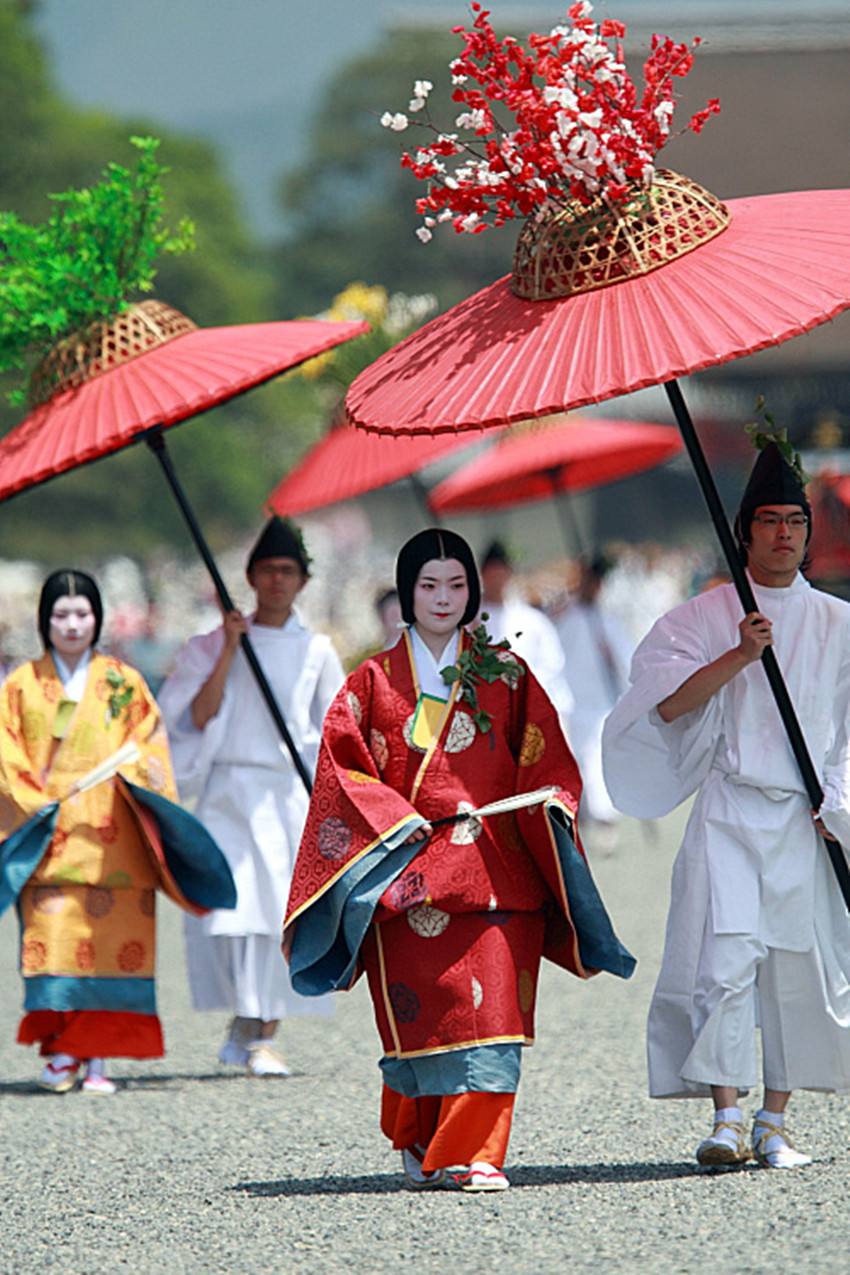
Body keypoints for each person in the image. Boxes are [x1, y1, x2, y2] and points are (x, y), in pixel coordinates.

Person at [284, 528, 634, 1191]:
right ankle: (421, 1131)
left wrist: (554, 799)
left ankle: (476, 1152)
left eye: (455, 584)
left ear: (473, 592)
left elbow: (548, 757)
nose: (443, 598)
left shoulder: (506, 672)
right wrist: (396, 822)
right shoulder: (371, 680)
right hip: (408, 871)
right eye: (428, 584)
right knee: (425, 1014)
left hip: (497, 868)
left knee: (496, 1015)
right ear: (406, 592)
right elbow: (343, 770)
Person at [602, 442, 850, 1168]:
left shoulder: (839, 622)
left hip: (805, 816)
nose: (783, 534)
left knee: (794, 966)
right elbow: (667, 707)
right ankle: (727, 1115)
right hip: (730, 811)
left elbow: (847, 726)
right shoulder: (706, 615)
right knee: (724, 958)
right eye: (768, 520)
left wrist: (836, 801)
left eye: (794, 521)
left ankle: (776, 1120)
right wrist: (738, 656)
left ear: (809, 531)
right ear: (743, 532)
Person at [0, 569, 234, 1094]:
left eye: (82, 613)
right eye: (61, 614)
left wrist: (134, 780)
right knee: (53, 944)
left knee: (110, 949)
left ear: (98, 619)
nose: (72, 624)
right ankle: (62, 1049)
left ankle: (99, 1056)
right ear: (45, 620)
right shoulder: (19, 685)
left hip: (114, 837)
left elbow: (150, 748)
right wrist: (35, 801)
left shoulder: (123, 683)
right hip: (49, 838)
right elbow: (5, 751)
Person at [159, 517, 344, 1077]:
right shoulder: (215, 642)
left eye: (287, 571)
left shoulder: (316, 650)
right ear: (250, 576)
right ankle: (244, 1017)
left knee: (274, 914)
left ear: (303, 581)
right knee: (227, 911)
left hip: (284, 791)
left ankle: (263, 1029)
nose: (277, 581)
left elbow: (337, 727)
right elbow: (194, 715)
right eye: (267, 570)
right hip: (227, 790)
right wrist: (229, 649)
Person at [555, 555, 632, 852]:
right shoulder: (565, 615)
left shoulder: (606, 620)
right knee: (575, 762)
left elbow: (625, 661)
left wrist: (612, 656)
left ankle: (605, 823)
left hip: (600, 703)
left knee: (594, 760)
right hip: (572, 702)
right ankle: (582, 820)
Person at [477, 540, 574, 726]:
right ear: (482, 574)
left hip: (526, 712)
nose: (496, 579)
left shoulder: (533, 622)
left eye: (501, 572)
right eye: (491, 572)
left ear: (509, 575)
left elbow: (552, 670)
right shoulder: (468, 622)